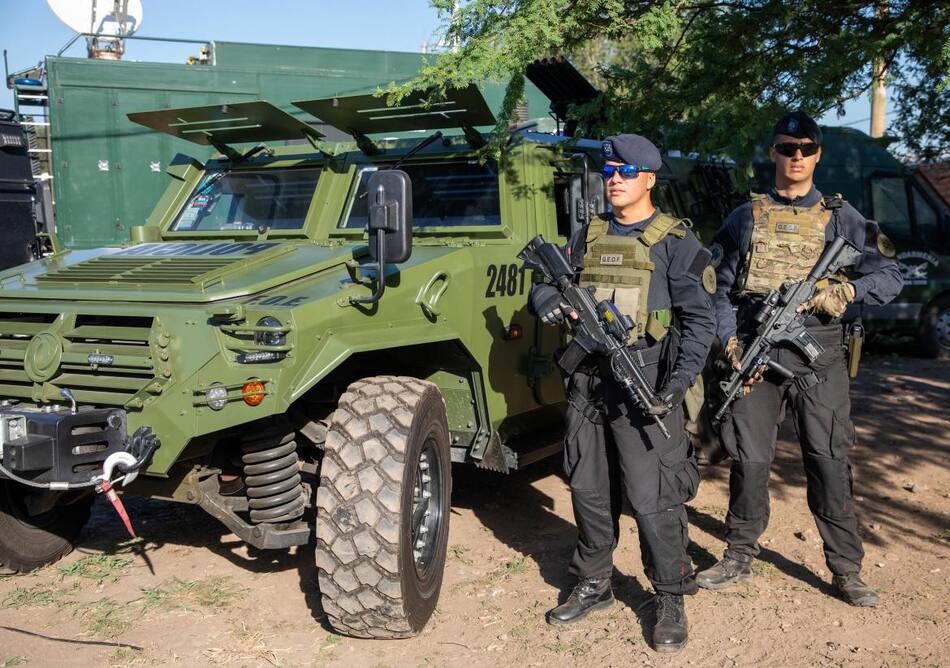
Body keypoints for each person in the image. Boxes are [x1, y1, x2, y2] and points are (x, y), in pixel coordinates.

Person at [696, 112, 903, 606]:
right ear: (772, 152)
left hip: (820, 354)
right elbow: (717, 289)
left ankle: (846, 569)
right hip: (755, 349)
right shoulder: (743, 217)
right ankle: (740, 554)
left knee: (829, 460)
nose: (796, 156)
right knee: (749, 458)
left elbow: (890, 275)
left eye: (806, 148)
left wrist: (848, 289)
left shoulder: (843, 217)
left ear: (818, 155)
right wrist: (728, 340)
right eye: (787, 147)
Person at [529, 134, 716, 653]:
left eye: (627, 171)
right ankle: (594, 582)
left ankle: (671, 591)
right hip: (588, 381)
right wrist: (546, 300)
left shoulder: (677, 244)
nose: (615, 178)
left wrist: (676, 385)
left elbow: (700, 325)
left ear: (650, 179)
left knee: (654, 496)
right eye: (610, 170)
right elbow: (544, 283)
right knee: (588, 487)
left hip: (647, 384)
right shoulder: (586, 236)